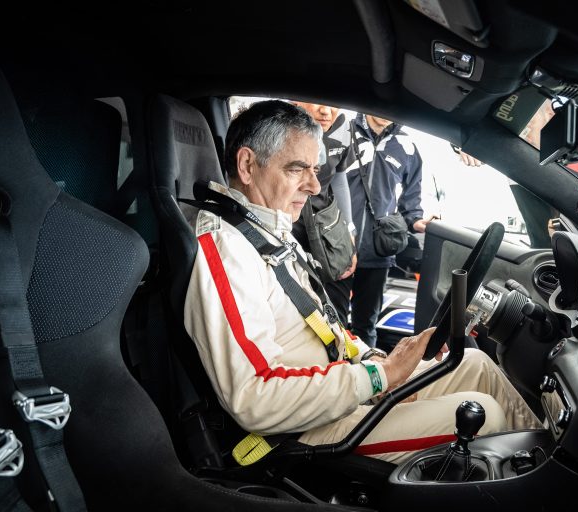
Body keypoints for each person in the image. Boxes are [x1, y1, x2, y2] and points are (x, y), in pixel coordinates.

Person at [183, 100, 541, 464]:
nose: (313, 184)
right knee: (484, 413)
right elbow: (254, 398)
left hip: (336, 390)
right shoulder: (227, 249)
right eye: (297, 169)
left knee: (475, 365)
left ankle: (545, 463)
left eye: (315, 169)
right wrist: (379, 376)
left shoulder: (267, 229)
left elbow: (325, 325)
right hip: (302, 430)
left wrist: (378, 361)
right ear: (247, 165)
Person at [345, 113, 438, 348]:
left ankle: (365, 376)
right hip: (339, 247)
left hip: (379, 251)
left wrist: (417, 221)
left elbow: (411, 198)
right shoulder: (344, 133)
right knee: (330, 317)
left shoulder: (407, 146)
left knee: (365, 325)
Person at [290, 102, 355, 324]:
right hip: (289, 227)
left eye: (334, 104)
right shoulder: (280, 127)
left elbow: (339, 177)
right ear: (296, 100)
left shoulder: (343, 127)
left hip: (326, 229)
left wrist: (348, 233)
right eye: (317, 101)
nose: (326, 111)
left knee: (336, 313)